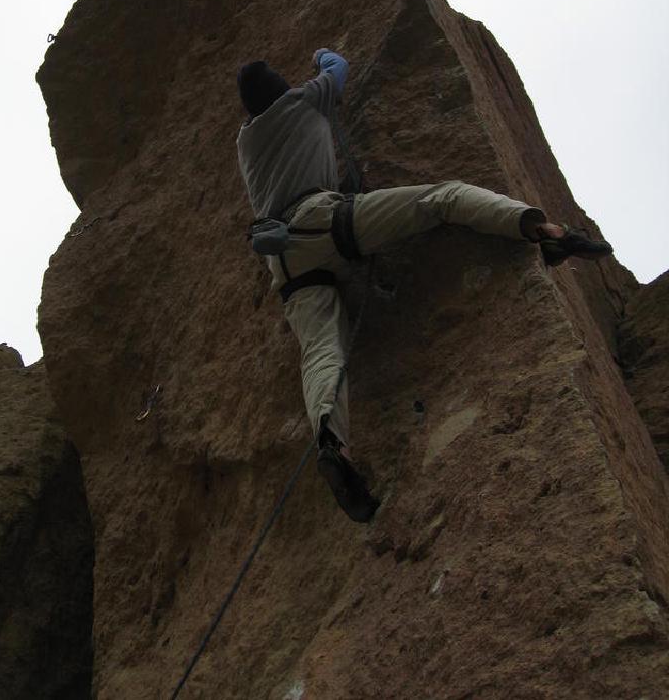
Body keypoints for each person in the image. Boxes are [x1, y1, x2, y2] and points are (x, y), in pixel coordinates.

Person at [236, 49, 613, 523]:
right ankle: (544, 232)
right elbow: (340, 69)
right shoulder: (304, 100)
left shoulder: (245, 141)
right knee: (441, 198)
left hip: (283, 261)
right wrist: (322, 55)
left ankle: (335, 445)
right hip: (325, 221)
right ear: (279, 88)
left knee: (321, 353)